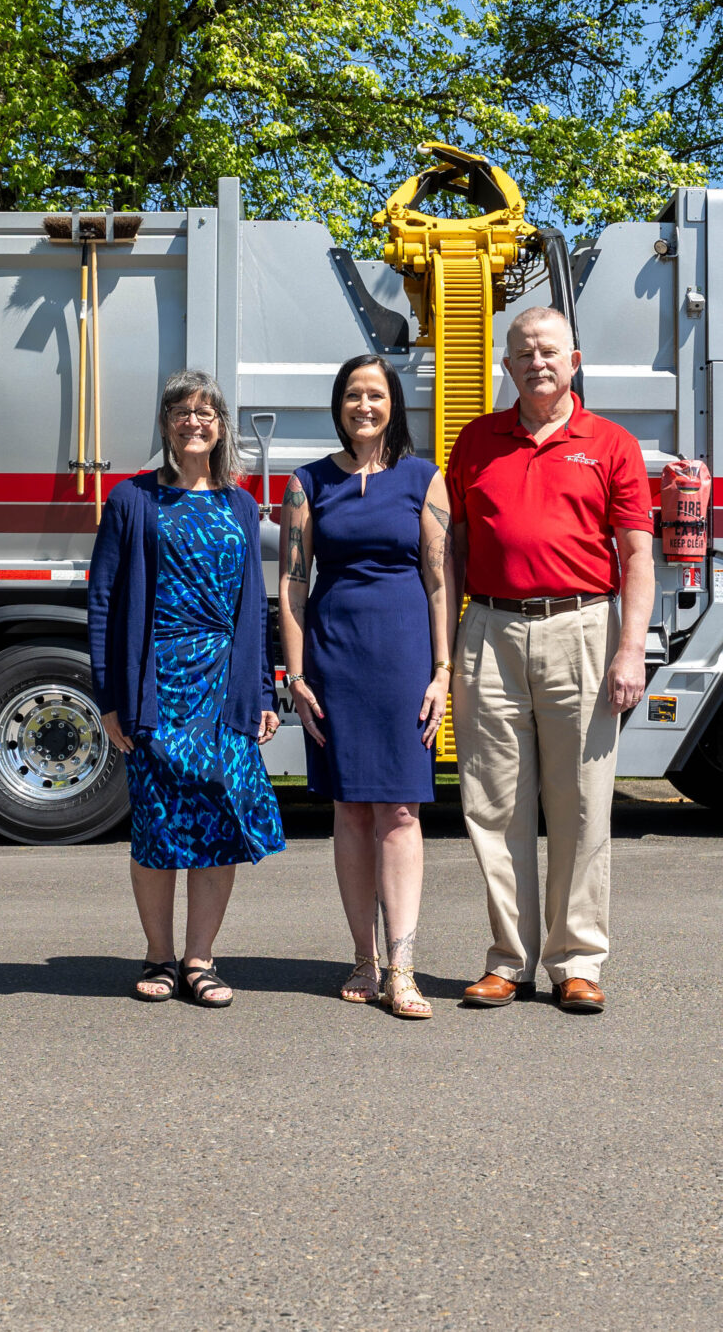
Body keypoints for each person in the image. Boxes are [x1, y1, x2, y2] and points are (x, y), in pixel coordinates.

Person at [446, 306, 655, 1014]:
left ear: (575, 360)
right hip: (490, 630)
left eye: (550, 350)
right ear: (508, 365)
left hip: (583, 630)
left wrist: (631, 648)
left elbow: (636, 557)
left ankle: (576, 960)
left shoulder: (612, 443)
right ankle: (509, 960)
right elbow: (450, 550)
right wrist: (449, 650)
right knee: (493, 804)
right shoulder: (475, 442)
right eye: (524, 351)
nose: (537, 361)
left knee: (582, 803)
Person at [87, 371, 286, 1008]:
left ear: (220, 426)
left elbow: (254, 608)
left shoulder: (240, 504)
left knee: (220, 821)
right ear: (166, 424)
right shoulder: (131, 500)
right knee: (157, 824)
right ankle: (158, 956)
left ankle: (200, 960)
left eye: (206, 412)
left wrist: (261, 691)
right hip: (155, 683)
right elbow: (104, 602)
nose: (194, 422)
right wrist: (110, 696)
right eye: (181, 411)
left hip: (223, 686)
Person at [278, 355, 454, 1020]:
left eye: (375, 394)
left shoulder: (423, 479)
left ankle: (403, 966)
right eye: (353, 394)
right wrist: (295, 674)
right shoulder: (308, 483)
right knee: (349, 807)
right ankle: (363, 955)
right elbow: (293, 583)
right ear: (339, 404)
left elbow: (441, 583)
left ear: (393, 403)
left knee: (401, 809)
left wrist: (443, 671)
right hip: (335, 658)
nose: (364, 405)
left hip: (405, 656)